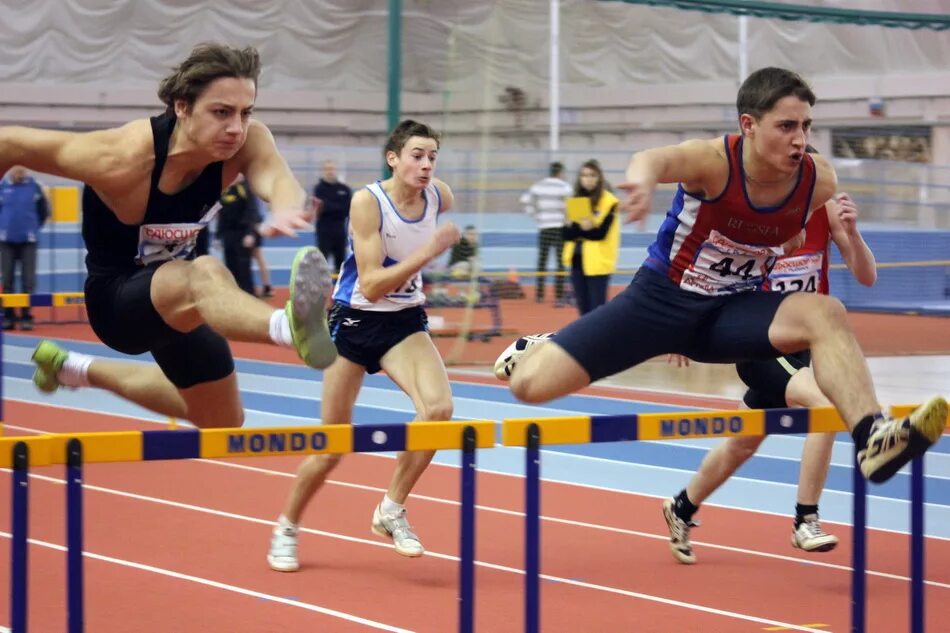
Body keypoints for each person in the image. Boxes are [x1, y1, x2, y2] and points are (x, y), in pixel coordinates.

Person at [493, 67, 946, 491]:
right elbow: (650, 158)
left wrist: (782, 243)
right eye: (786, 126)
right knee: (529, 388)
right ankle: (547, 345)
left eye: (805, 126)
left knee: (826, 312)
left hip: (729, 314)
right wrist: (642, 183)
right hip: (661, 304)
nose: (799, 139)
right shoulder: (714, 161)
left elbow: (788, 231)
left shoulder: (817, 181)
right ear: (749, 125)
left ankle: (873, 437)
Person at [0, 42, 337, 429]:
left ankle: (73, 368)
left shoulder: (245, 142)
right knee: (203, 271)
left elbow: (277, 178)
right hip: (117, 303)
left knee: (222, 418)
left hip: (180, 304)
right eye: (221, 112)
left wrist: (285, 206)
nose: (235, 128)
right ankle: (289, 327)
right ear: (181, 106)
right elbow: (9, 144)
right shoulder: (120, 157)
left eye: (246, 113)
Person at [267, 120, 461, 571]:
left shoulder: (439, 195)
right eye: (416, 155)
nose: (426, 164)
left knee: (438, 410)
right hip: (354, 322)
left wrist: (428, 250)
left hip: (405, 322)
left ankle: (391, 509)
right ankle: (287, 526)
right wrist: (428, 253)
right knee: (332, 446)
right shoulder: (366, 202)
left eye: (432, 156)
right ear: (392, 158)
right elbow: (371, 285)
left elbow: (431, 218)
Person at [663, 189, 878, 564]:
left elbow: (867, 276)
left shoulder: (827, 212)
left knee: (742, 444)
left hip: (806, 348)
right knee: (825, 408)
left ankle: (680, 507)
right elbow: (707, 272)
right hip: (759, 347)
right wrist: (682, 329)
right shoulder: (757, 213)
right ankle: (805, 519)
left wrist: (853, 232)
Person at [561, 159, 620, 315]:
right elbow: (566, 235)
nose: (588, 179)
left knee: (597, 312)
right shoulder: (575, 201)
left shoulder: (609, 201)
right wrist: (583, 228)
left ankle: (602, 340)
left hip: (598, 264)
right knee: (583, 310)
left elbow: (600, 234)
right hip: (577, 262)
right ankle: (586, 340)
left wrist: (580, 229)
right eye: (584, 175)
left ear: (599, 177)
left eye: (592, 175)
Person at [0, 166, 49, 330]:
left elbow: (44, 211)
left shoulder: (35, 187)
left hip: (29, 241)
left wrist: (33, 228)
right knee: (7, 281)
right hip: (6, 241)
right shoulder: (3, 186)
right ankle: (8, 316)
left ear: (26, 170)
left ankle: (26, 316)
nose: (18, 173)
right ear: (10, 171)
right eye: (15, 170)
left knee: (28, 281)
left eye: (21, 170)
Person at [521, 161, 573, 304]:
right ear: (560, 172)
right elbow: (572, 205)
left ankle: (539, 294)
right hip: (559, 227)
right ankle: (559, 294)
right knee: (560, 262)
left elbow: (525, 200)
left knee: (542, 261)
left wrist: (536, 216)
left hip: (544, 226)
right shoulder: (565, 187)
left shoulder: (539, 186)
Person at [216, 177, 260, 296]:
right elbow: (221, 213)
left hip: (243, 235)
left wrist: (250, 234)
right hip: (228, 235)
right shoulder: (225, 190)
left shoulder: (246, 188)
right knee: (230, 269)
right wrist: (218, 236)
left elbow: (253, 212)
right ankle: (235, 301)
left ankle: (251, 299)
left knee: (244, 270)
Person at [312, 159, 352, 270]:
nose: (330, 172)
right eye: (327, 169)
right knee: (321, 263)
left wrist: (330, 207)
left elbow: (347, 209)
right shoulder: (319, 189)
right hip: (324, 231)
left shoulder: (344, 189)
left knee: (341, 264)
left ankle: (339, 287)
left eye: (332, 169)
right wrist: (336, 207)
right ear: (323, 171)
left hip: (340, 231)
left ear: (335, 170)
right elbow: (323, 208)